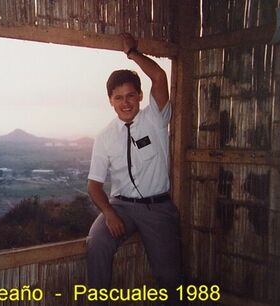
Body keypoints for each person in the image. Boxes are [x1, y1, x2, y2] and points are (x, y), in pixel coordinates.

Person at [86, 33, 184, 305]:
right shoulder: (105, 136)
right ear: (110, 100)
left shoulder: (155, 118)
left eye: (130, 95)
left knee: (170, 278)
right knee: (97, 243)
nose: (125, 102)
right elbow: (93, 185)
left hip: (157, 208)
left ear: (140, 96)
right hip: (121, 207)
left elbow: (160, 77)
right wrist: (108, 213)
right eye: (118, 97)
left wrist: (132, 53)